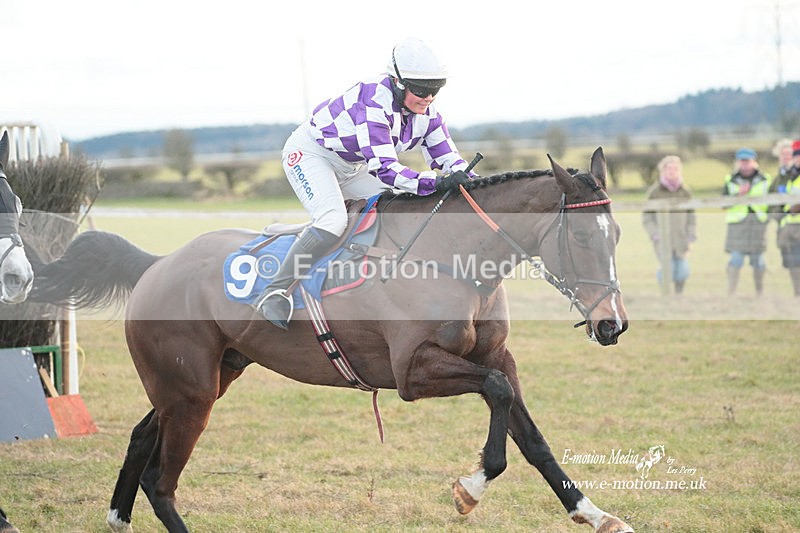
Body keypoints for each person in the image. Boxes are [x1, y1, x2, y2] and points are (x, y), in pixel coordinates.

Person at [254, 37, 475, 329]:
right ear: (398, 83)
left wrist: (473, 183)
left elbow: (450, 160)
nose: (429, 97)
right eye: (421, 90)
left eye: (436, 89)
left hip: (354, 165)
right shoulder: (373, 102)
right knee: (333, 220)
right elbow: (385, 169)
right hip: (311, 155)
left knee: (397, 207)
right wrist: (436, 182)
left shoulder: (428, 114)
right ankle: (274, 291)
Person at [642, 155, 696, 294]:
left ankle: (678, 295)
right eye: (669, 169)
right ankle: (666, 294)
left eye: (675, 169)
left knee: (683, 270)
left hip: (681, 237)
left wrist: (691, 234)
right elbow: (647, 216)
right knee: (668, 267)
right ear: (663, 171)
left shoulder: (685, 192)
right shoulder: (654, 192)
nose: (672, 171)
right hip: (662, 238)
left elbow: (691, 216)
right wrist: (654, 233)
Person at [722, 148, 772, 295]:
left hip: (757, 224)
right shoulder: (730, 180)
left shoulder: (765, 180)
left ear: (754, 162)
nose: (745, 164)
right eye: (742, 161)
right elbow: (723, 203)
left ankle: (759, 292)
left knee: (758, 260)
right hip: (738, 225)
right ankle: (731, 292)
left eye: (747, 161)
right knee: (736, 259)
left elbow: (772, 202)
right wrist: (739, 194)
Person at [777, 141, 800, 296]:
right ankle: (797, 293)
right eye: (796, 156)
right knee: (793, 262)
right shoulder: (789, 176)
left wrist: (795, 209)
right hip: (789, 225)